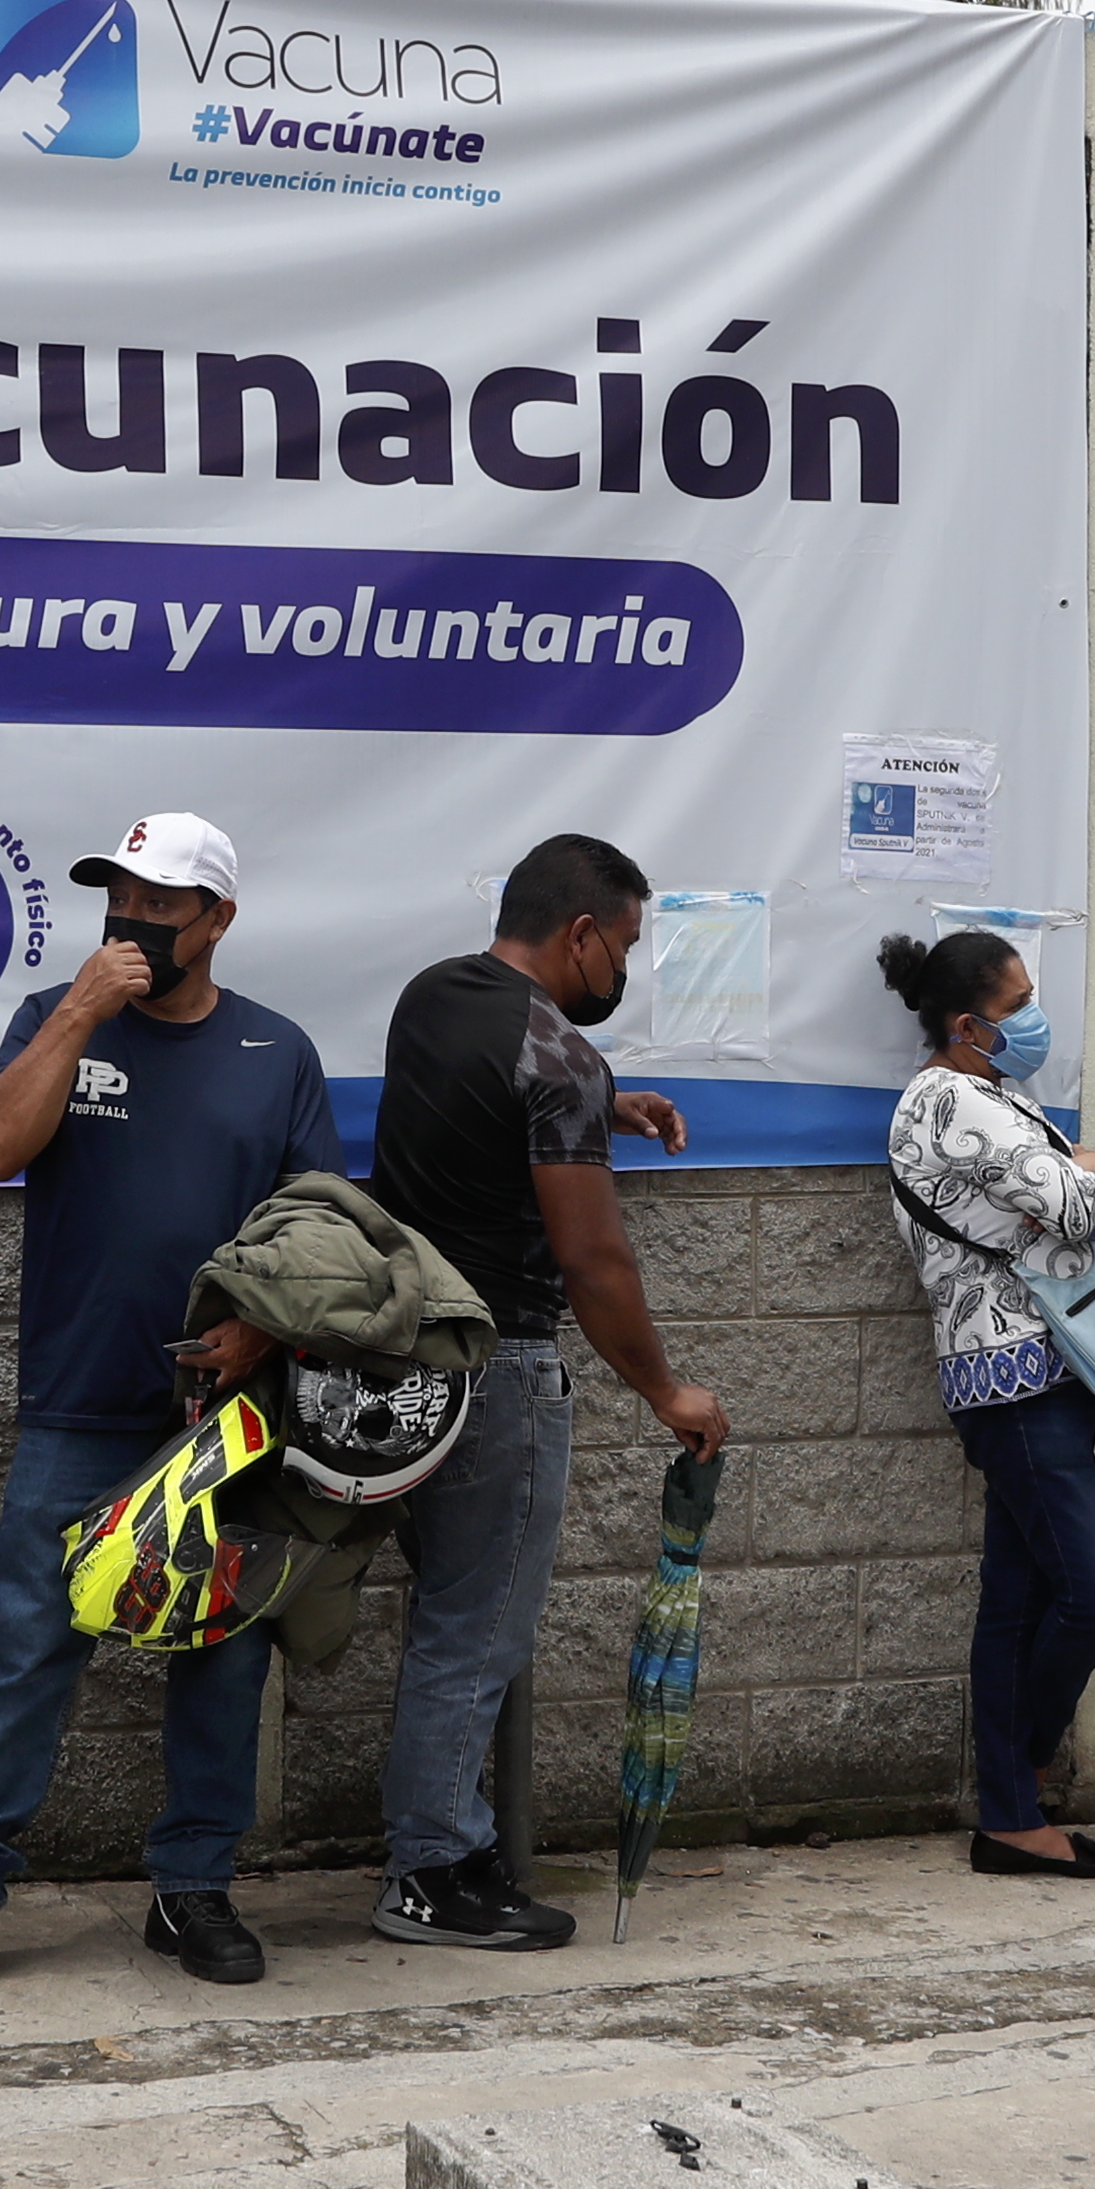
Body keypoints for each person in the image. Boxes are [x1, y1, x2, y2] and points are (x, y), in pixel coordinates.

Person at [0, 810, 343, 1989]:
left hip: (226, 1414)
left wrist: (263, 1327)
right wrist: (78, 1012)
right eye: (121, 896)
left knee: (223, 1652)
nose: (136, 918)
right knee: (32, 1643)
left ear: (219, 920)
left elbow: (316, 1224)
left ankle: (192, 1888)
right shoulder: (56, 1020)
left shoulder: (276, 1050)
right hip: (77, 1396)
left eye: (162, 902)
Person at [363, 834, 728, 1950]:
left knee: (445, 1623)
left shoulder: (433, 1000)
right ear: (580, 934)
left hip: (398, 1357)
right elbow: (593, 1261)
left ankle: (448, 1849)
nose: (625, 968)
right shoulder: (560, 1058)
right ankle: (431, 1872)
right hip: (498, 1367)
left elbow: (493, 1106)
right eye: (623, 944)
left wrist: (607, 1102)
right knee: (476, 1634)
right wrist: (667, 1391)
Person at [879, 928, 1095, 1879]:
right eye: (1018, 1003)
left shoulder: (1000, 1095)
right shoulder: (949, 1101)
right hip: (1012, 1379)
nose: (1035, 1019)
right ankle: (1020, 1766)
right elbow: (1084, 1204)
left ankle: (1010, 1814)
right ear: (967, 1025)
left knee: (1019, 1597)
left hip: (1049, 1368)